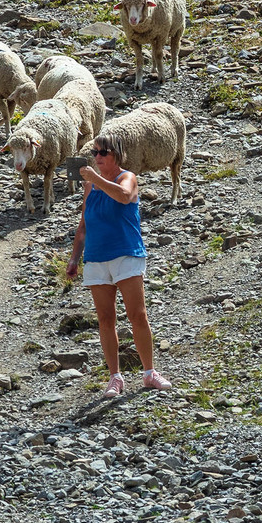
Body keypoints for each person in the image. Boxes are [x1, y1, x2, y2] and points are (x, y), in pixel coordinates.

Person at [64, 133, 167, 400]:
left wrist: (95, 179)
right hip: (97, 258)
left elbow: (123, 196)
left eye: (103, 153)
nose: (97, 157)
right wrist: (75, 258)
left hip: (125, 253)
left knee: (137, 314)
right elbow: (84, 223)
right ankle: (115, 377)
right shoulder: (90, 186)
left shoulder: (127, 177)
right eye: (95, 153)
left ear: (116, 154)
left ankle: (149, 372)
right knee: (105, 319)